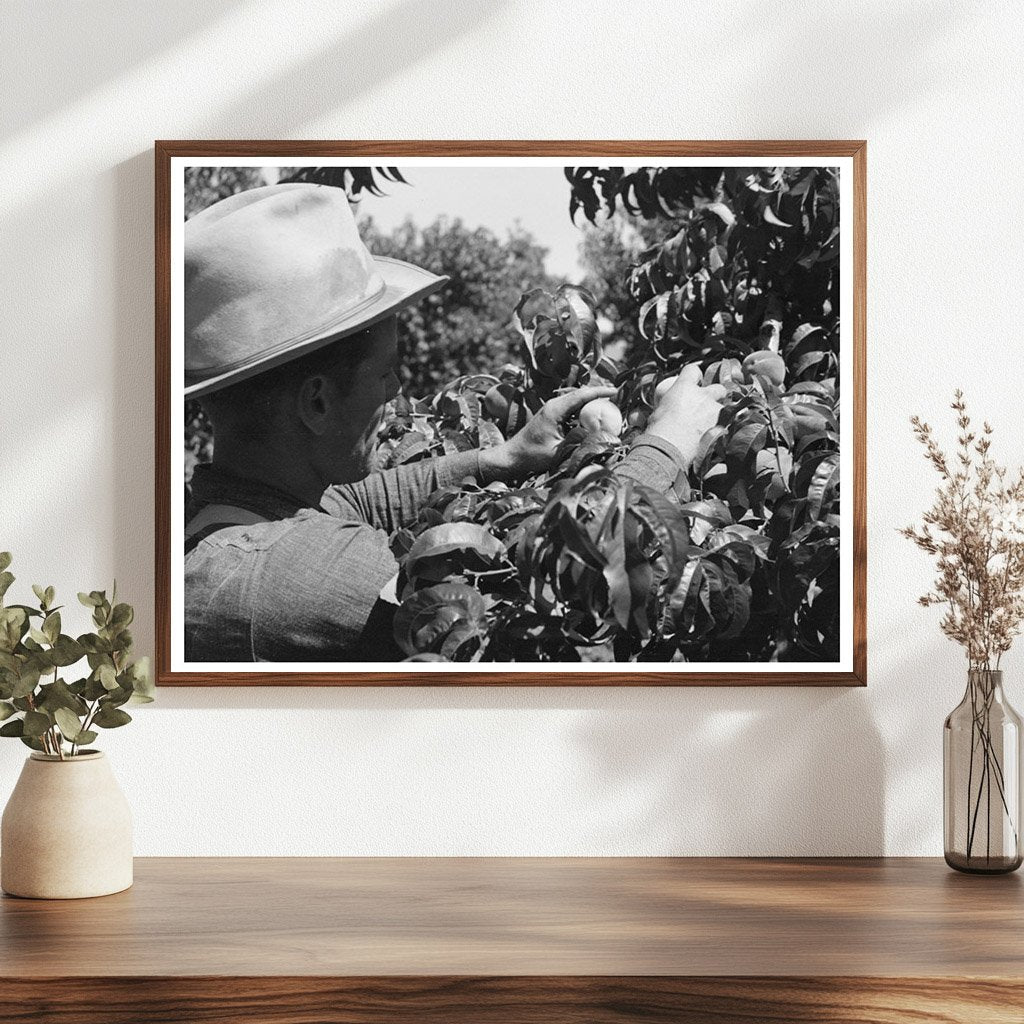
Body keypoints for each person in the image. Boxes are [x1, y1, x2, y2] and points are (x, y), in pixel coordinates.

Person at [183, 182, 725, 662]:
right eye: (386, 373)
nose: (398, 389)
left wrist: (504, 457)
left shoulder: (233, 517)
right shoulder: (302, 578)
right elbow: (535, 591)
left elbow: (360, 499)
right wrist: (668, 443)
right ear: (318, 403)